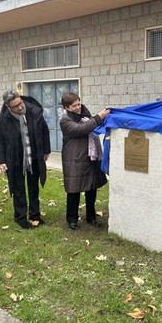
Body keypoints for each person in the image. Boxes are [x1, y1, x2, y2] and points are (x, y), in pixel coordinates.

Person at [0, 90, 51, 229]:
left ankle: (35, 214)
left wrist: (46, 149)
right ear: (8, 107)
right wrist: (1, 160)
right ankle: (20, 217)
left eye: (20, 103)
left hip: (34, 155)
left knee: (33, 187)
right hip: (15, 157)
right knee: (18, 187)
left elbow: (44, 130)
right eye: (15, 106)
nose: (20, 107)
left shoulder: (34, 111)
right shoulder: (3, 118)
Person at [60, 93, 110, 230]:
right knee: (74, 190)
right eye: (74, 105)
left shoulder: (85, 115)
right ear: (67, 107)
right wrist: (99, 117)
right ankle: (72, 219)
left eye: (79, 103)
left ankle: (91, 216)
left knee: (91, 188)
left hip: (90, 157)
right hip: (74, 159)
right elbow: (81, 129)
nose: (78, 107)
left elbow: (91, 125)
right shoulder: (65, 120)